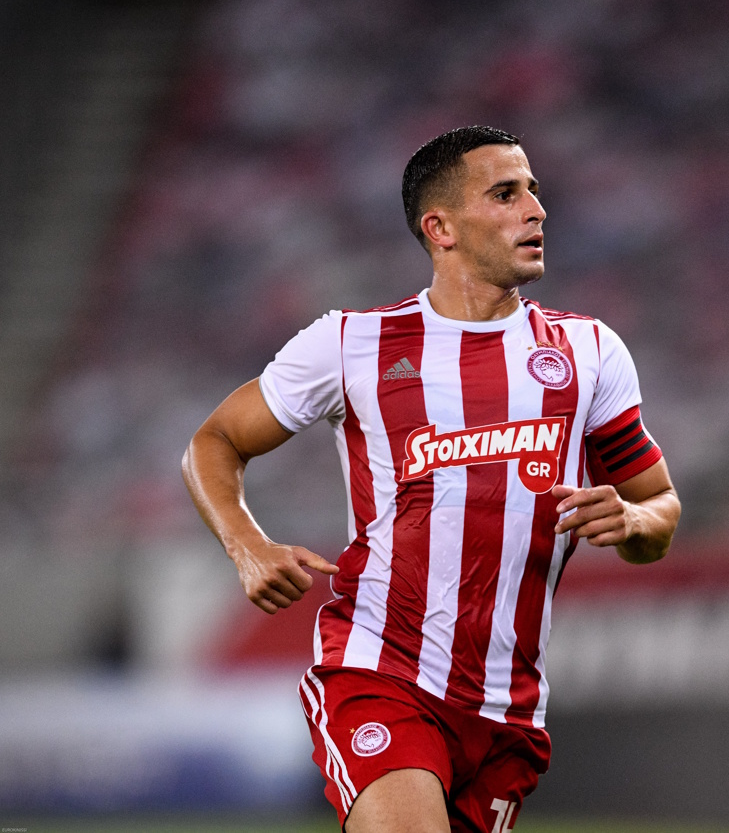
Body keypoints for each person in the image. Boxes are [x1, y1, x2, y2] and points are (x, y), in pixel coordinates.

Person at [182, 125, 680, 833]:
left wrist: (632, 522)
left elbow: (659, 506)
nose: (536, 210)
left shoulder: (589, 351)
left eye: (533, 191)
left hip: (507, 711)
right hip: (381, 673)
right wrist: (247, 544)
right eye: (505, 194)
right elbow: (215, 440)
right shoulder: (352, 343)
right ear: (440, 228)